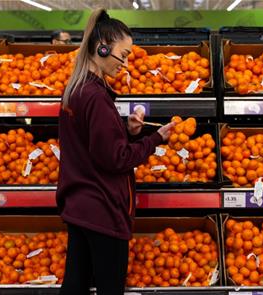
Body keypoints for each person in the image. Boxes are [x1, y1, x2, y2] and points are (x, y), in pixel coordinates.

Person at [56, 8, 174, 295]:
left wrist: (126, 130)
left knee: (75, 285)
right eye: (125, 53)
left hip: (79, 205)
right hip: (103, 210)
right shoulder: (96, 97)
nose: (126, 62)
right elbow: (115, 158)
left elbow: (89, 141)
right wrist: (155, 138)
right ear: (103, 47)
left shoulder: (76, 88)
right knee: (110, 289)